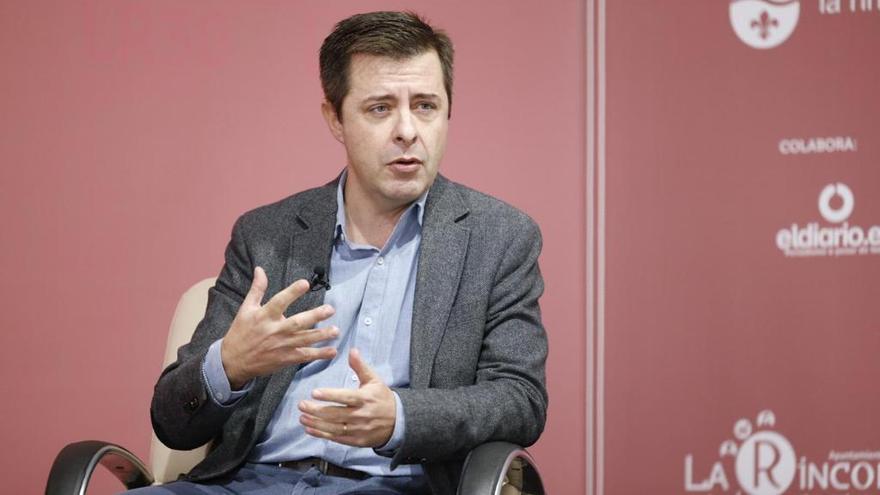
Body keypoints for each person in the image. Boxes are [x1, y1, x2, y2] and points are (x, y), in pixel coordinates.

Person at [137, 11, 547, 495]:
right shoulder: (267, 235)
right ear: (335, 118)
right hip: (244, 484)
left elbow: (520, 400)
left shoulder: (499, 238)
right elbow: (172, 421)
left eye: (425, 106)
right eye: (379, 108)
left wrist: (402, 417)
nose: (407, 130)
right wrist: (230, 364)